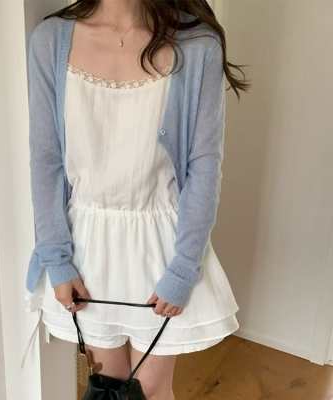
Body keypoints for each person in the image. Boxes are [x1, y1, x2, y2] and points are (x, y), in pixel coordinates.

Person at [21, 1, 251, 399]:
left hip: (164, 246)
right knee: (106, 386)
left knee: (152, 388)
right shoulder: (51, 41)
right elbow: (46, 161)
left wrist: (184, 268)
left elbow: (204, 166)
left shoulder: (198, 44)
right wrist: (55, 258)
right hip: (86, 249)